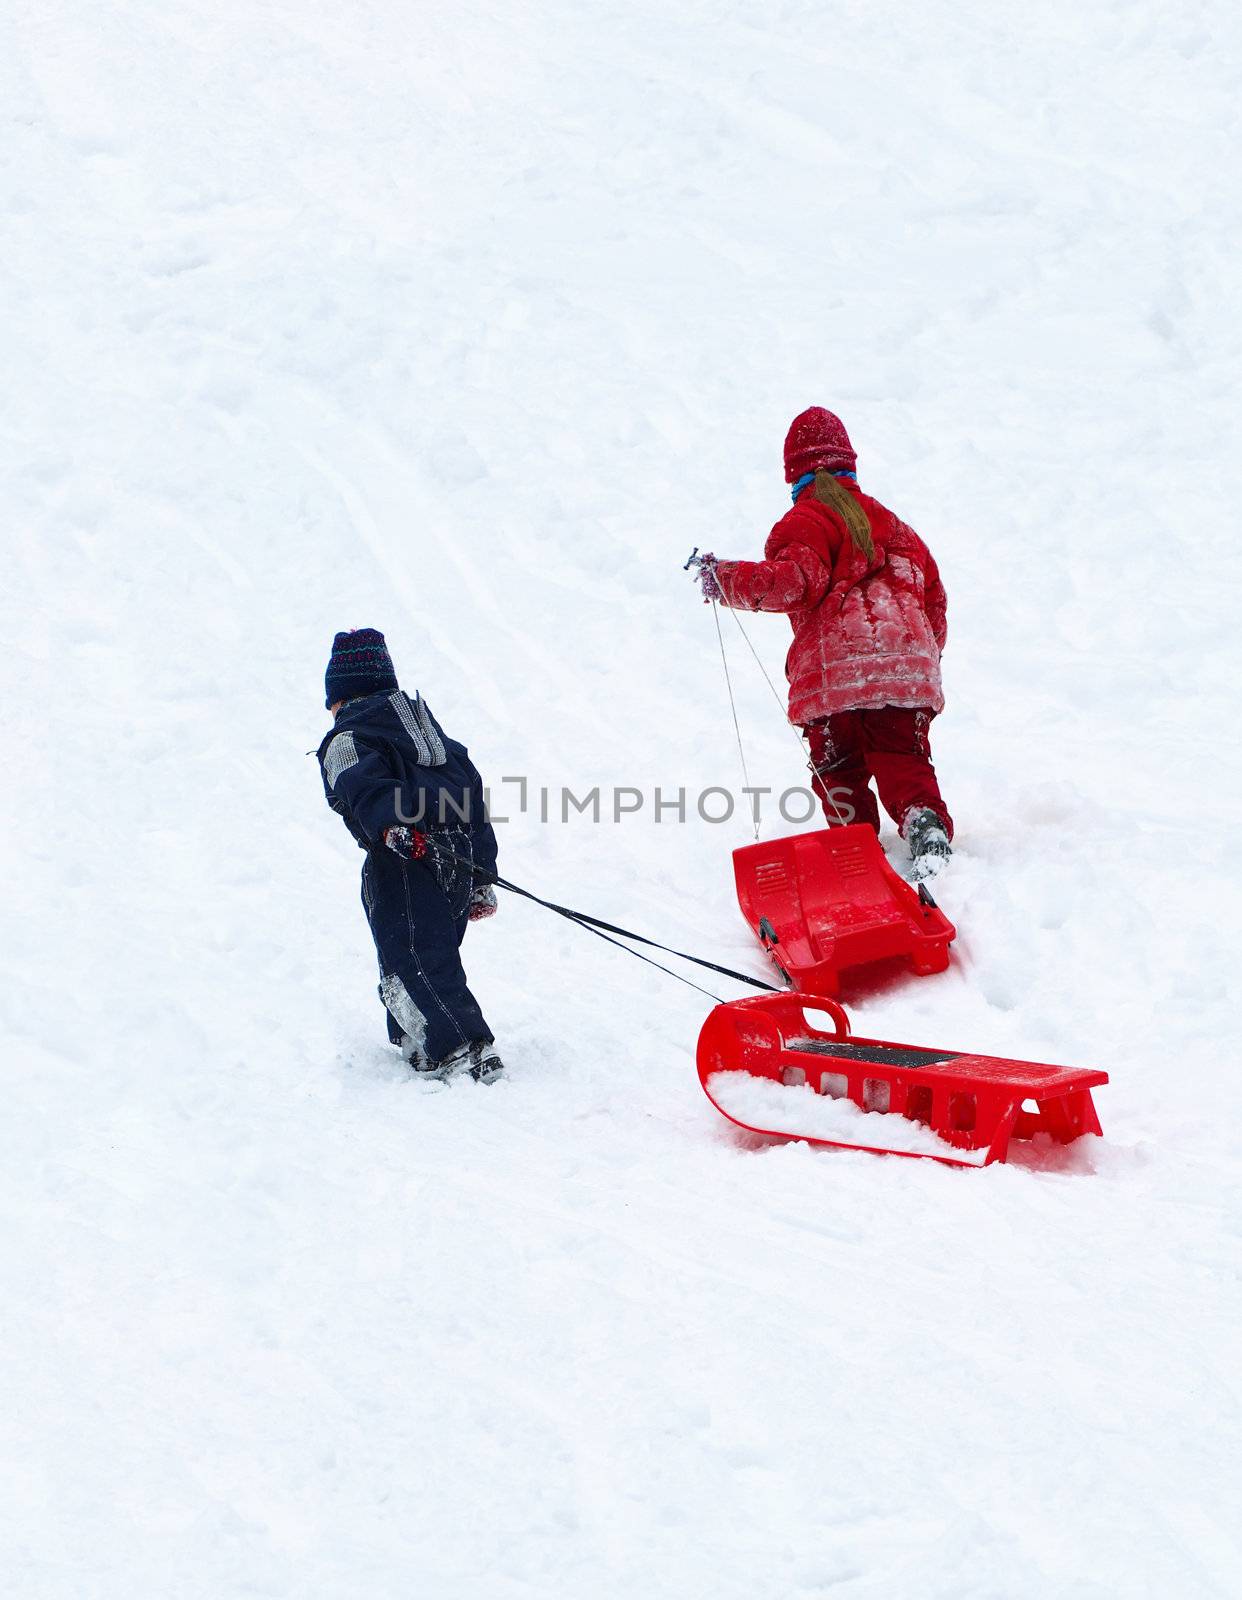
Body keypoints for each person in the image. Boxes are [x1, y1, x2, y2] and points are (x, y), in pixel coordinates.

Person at [691, 408, 953, 877]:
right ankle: (922, 821)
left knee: (840, 769)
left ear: (794, 477)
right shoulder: (900, 531)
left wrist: (724, 578)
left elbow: (794, 583)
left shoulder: (807, 520)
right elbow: (934, 602)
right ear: (851, 467)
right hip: (905, 670)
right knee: (903, 759)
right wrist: (914, 658)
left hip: (832, 682)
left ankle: (856, 850)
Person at [315, 628, 504, 1081]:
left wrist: (392, 827)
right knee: (435, 952)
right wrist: (481, 874)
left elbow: (365, 787)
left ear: (342, 696)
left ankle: (459, 1045)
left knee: (412, 955)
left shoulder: (349, 738)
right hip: (455, 855)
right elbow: (472, 802)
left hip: (404, 854)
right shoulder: (439, 743)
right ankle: (417, 1038)